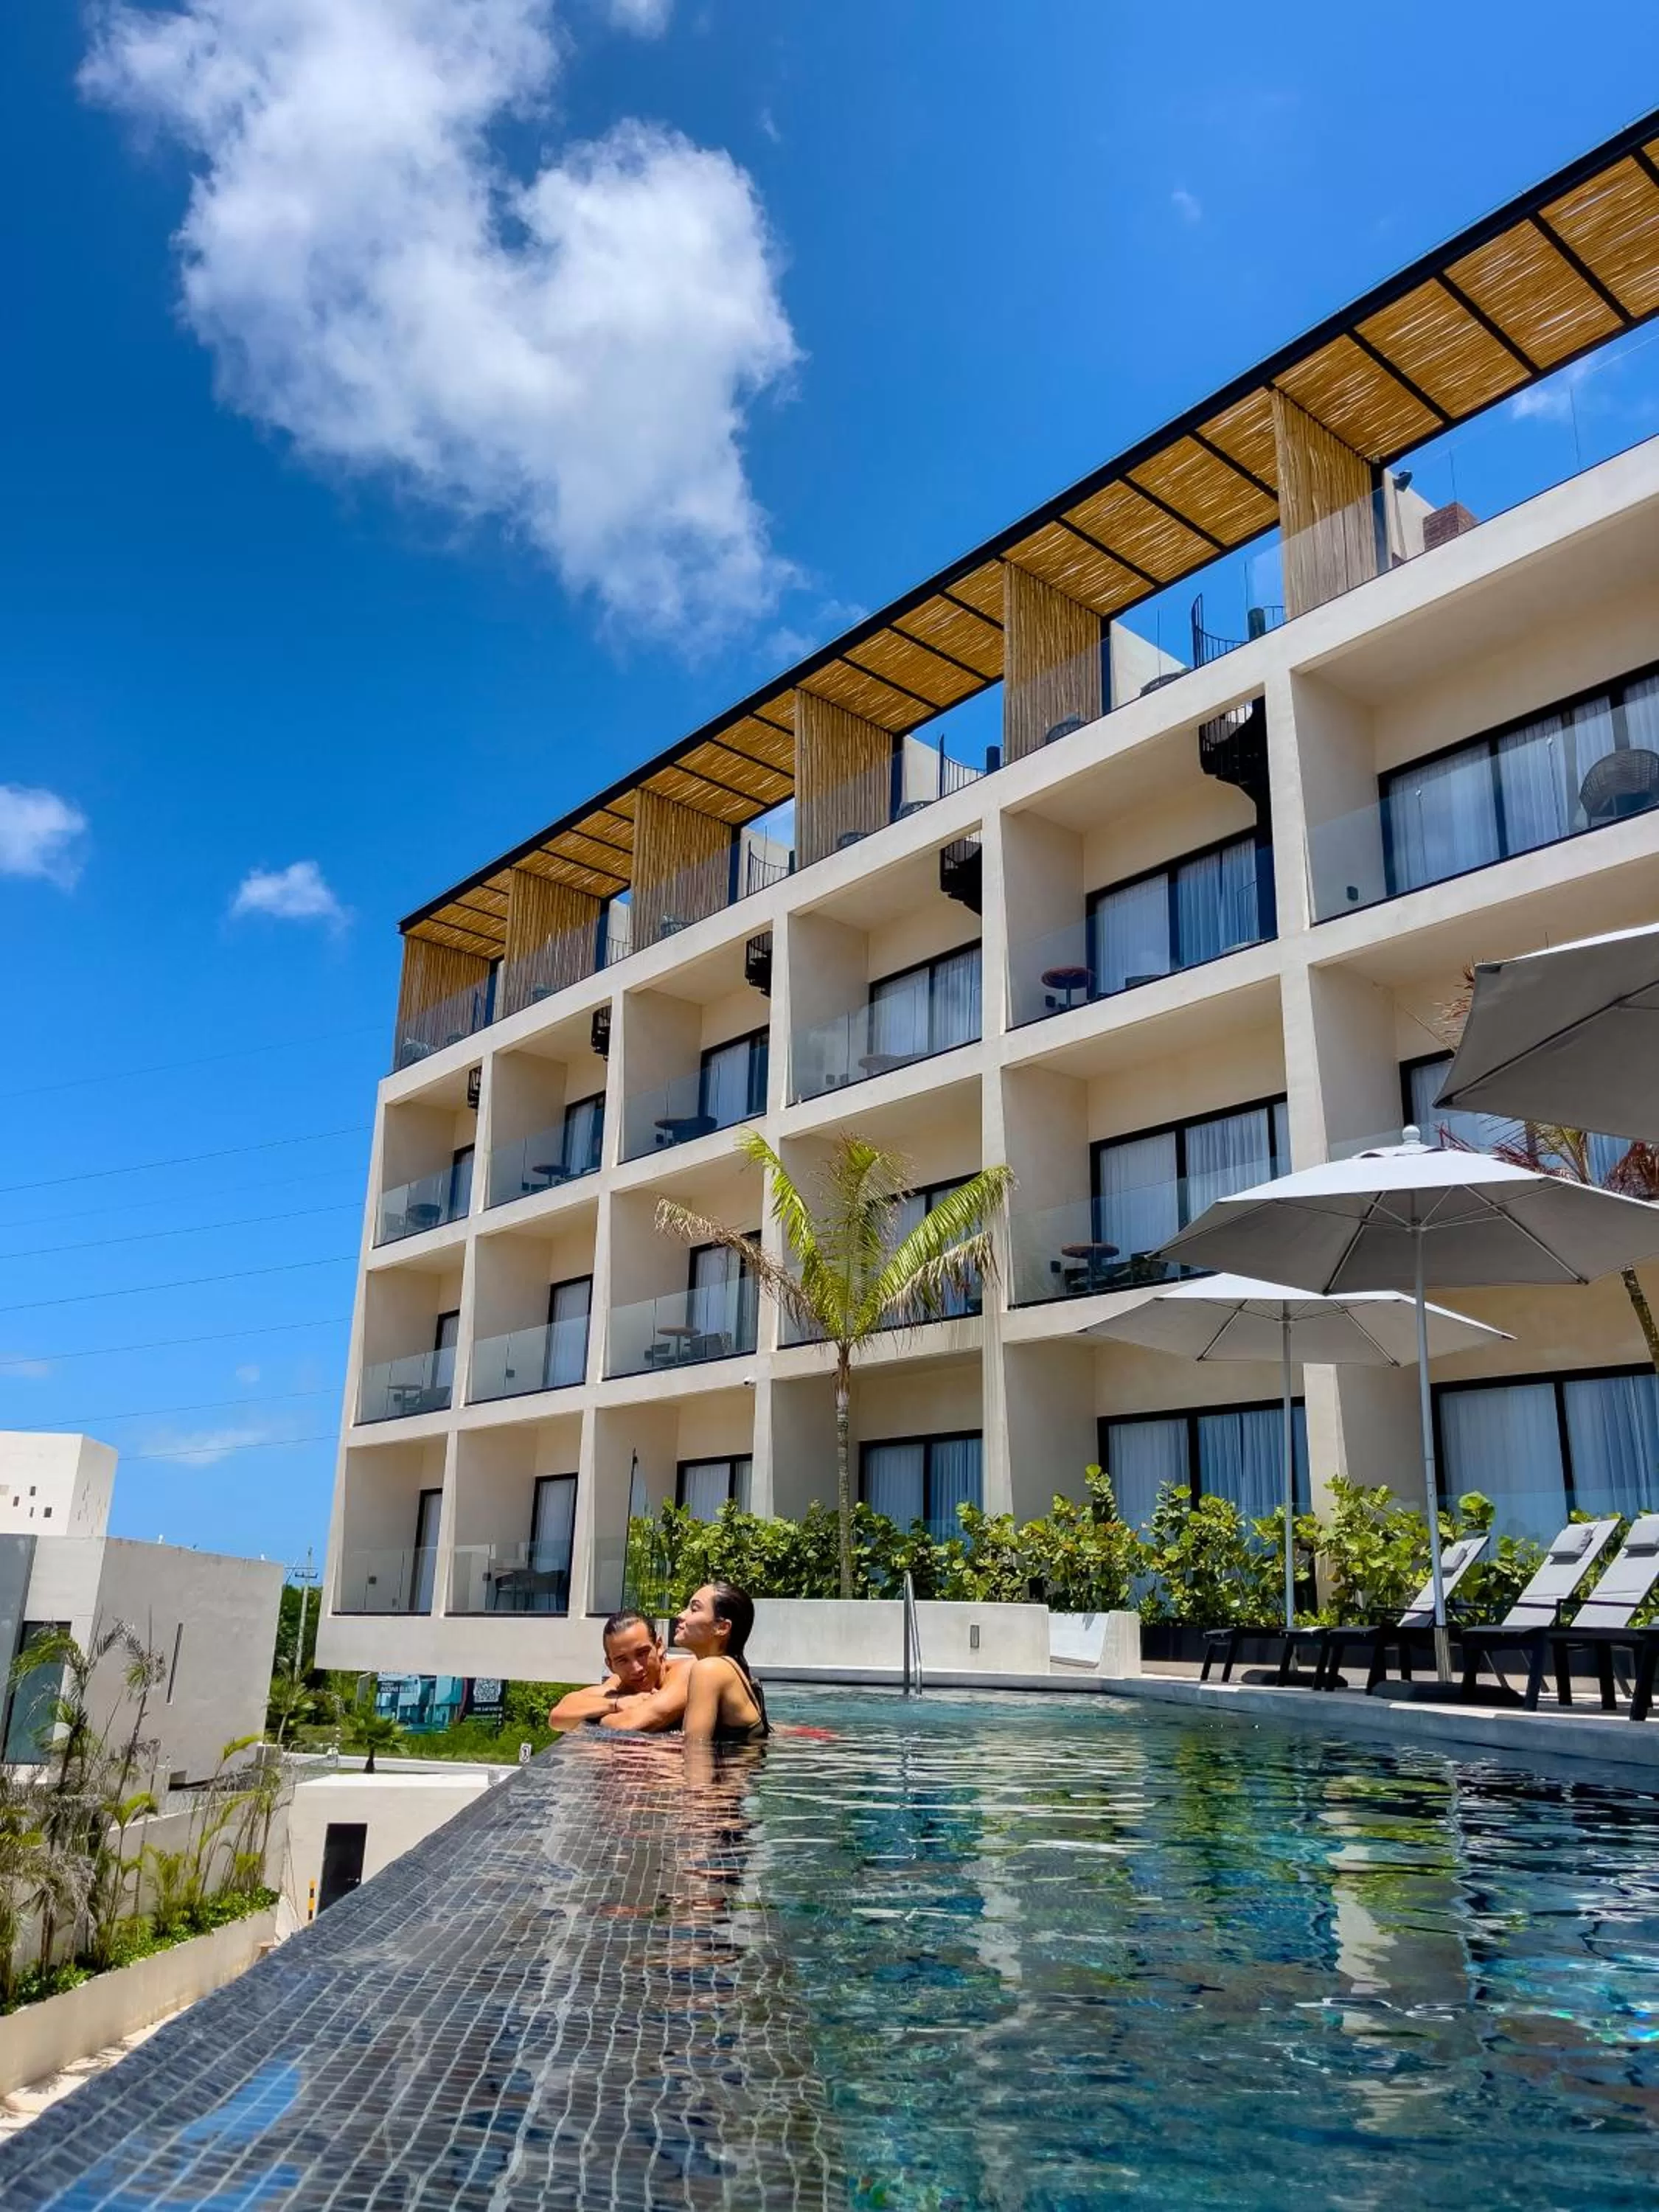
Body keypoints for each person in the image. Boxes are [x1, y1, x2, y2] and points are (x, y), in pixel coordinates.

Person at [547, 1610, 687, 1731]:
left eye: (642, 1653)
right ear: (610, 1665)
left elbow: (634, 1724)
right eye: (623, 1660)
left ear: (659, 1646)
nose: (636, 1668)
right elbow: (558, 1717)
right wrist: (616, 1703)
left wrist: (597, 1719)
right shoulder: (620, 1685)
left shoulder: (686, 1672)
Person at [676, 1582, 770, 1745]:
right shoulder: (733, 1670)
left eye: (694, 1609)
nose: (680, 1615)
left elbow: (695, 1748)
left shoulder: (709, 1669)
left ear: (722, 1628)